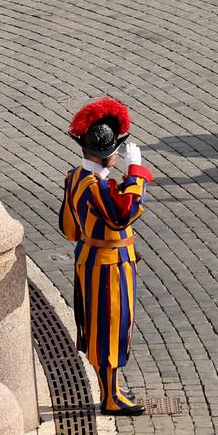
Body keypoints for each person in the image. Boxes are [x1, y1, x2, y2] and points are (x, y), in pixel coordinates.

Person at [60, 97, 154, 415]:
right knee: (111, 328)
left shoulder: (75, 177)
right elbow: (125, 213)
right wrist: (136, 174)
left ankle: (110, 388)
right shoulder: (95, 186)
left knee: (105, 327)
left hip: (91, 257)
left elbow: (68, 228)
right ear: (108, 154)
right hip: (108, 265)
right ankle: (110, 397)